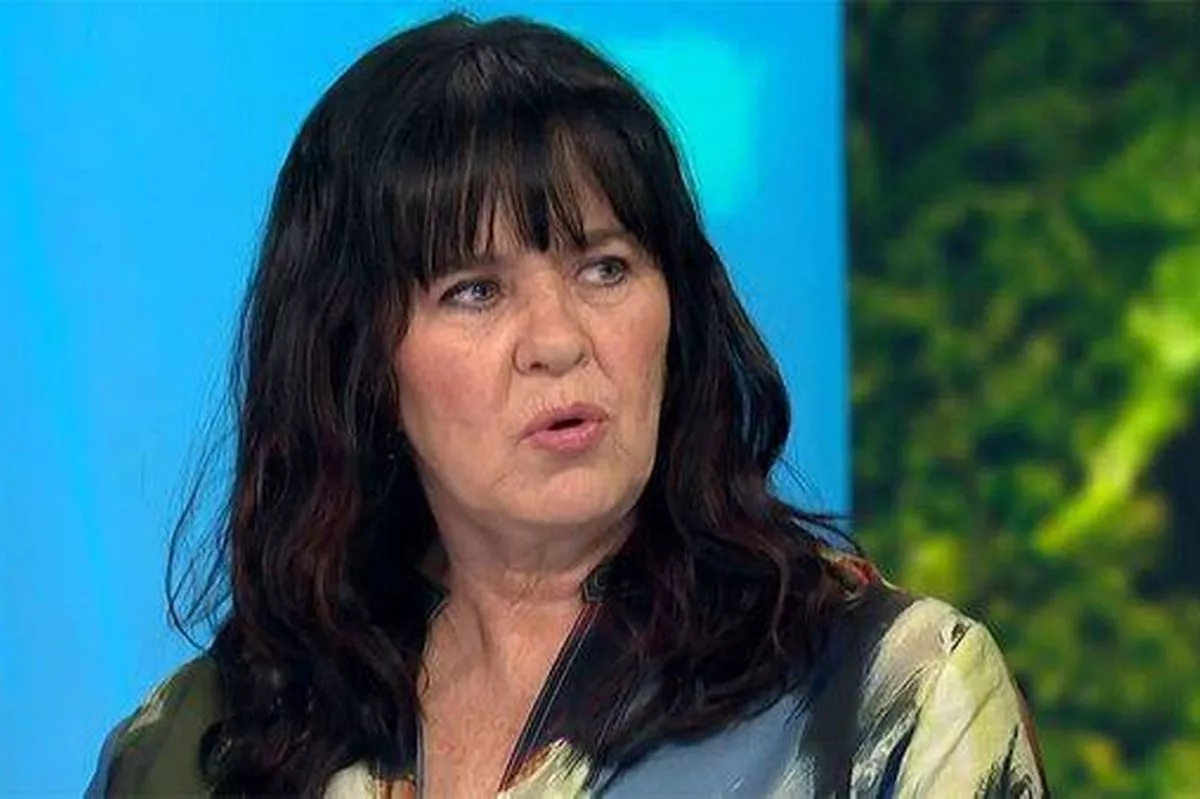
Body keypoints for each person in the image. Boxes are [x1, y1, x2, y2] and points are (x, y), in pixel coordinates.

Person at [87, 12, 1046, 798]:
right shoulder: (202, 747)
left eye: (605, 267)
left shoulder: (888, 694)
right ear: (357, 360)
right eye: (475, 289)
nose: (558, 339)